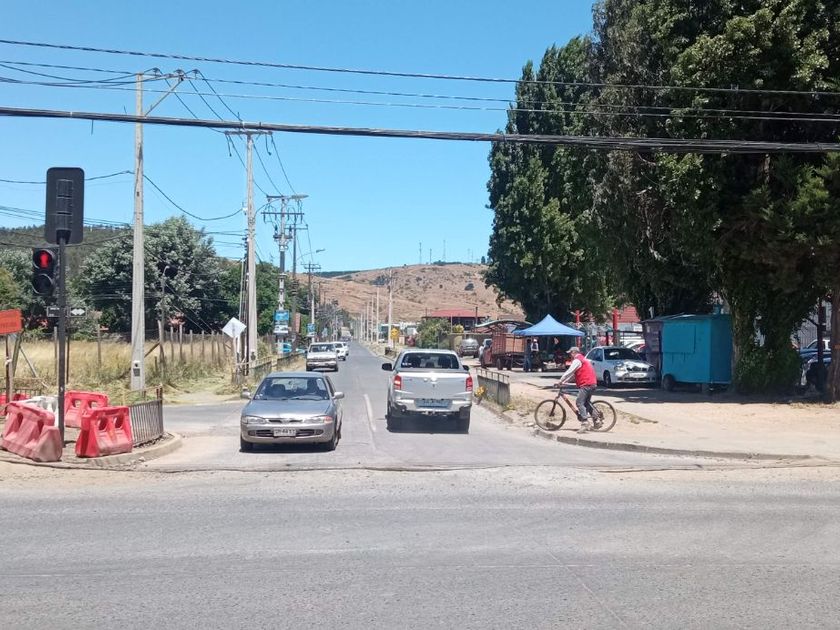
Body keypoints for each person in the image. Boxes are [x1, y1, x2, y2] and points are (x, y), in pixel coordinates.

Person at [556, 346, 598, 433]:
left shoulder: (577, 360)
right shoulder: (582, 359)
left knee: (579, 402)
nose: (570, 355)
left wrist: (560, 380)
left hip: (586, 384)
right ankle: (597, 420)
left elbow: (569, 371)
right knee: (586, 403)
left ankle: (585, 423)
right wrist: (564, 382)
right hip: (592, 383)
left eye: (570, 353)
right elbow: (573, 375)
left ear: (574, 352)